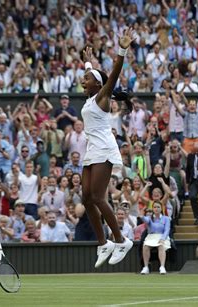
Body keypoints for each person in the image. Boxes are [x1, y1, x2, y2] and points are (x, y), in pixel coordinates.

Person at [79, 29, 135, 268]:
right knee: (86, 198)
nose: (83, 79)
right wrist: (88, 62)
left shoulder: (103, 96)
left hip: (104, 149)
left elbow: (112, 74)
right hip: (92, 150)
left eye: (87, 78)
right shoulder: (91, 98)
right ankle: (103, 244)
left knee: (98, 197)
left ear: (98, 85)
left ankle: (121, 240)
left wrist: (122, 50)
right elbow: (95, 76)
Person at [139, 201, 171, 275]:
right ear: (153, 208)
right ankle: (146, 267)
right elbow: (145, 220)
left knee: (161, 246)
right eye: (155, 207)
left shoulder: (166, 218)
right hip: (151, 236)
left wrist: (163, 238)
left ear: (161, 208)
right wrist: (142, 216)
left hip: (162, 236)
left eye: (158, 207)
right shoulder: (149, 218)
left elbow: (167, 230)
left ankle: (162, 267)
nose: (156, 209)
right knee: (145, 246)